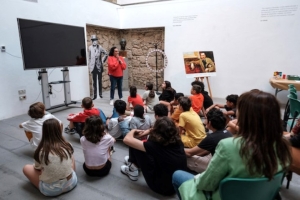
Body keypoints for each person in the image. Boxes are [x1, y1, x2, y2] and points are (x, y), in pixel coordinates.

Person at [172, 90, 291, 200]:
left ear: (245, 117)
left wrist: (198, 178)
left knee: (178, 175)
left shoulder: (228, 146)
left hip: (222, 196)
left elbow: (206, 184)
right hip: (261, 196)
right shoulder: (283, 147)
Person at [121, 117, 187, 195]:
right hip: (176, 186)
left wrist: (133, 130)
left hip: (160, 188)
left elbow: (127, 140)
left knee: (136, 146)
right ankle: (133, 162)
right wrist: (149, 131)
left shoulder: (155, 146)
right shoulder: (178, 141)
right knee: (142, 145)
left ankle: (132, 169)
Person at [23, 119, 77, 196]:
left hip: (51, 190)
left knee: (26, 168)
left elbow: (37, 168)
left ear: (44, 132)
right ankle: (69, 173)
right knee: (71, 156)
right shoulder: (68, 145)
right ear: (59, 130)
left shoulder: (40, 151)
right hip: (72, 183)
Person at [185, 108, 232, 173]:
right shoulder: (228, 132)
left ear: (209, 122)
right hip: (227, 166)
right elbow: (206, 151)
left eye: (206, 119)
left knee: (184, 157)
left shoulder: (212, 138)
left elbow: (189, 153)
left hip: (218, 170)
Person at [88, 35, 108, 100]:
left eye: (95, 40)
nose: (94, 42)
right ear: (92, 41)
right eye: (93, 40)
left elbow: (106, 53)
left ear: (97, 41)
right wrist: (89, 64)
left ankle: (100, 94)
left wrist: (102, 60)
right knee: (94, 81)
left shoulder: (100, 47)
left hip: (99, 66)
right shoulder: (90, 48)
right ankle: (95, 95)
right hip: (93, 66)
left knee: (99, 81)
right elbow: (89, 57)